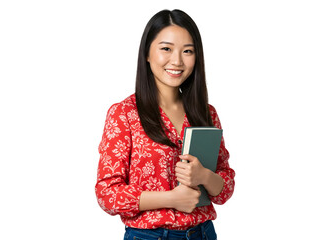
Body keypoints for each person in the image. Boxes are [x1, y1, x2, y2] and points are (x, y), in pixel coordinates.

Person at [95, 9, 235, 240]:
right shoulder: (125, 114)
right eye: (166, 49)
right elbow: (107, 195)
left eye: (187, 51)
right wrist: (171, 198)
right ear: (147, 54)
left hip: (203, 233)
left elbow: (224, 189)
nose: (177, 61)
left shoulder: (206, 113)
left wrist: (204, 176)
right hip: (149, 236)